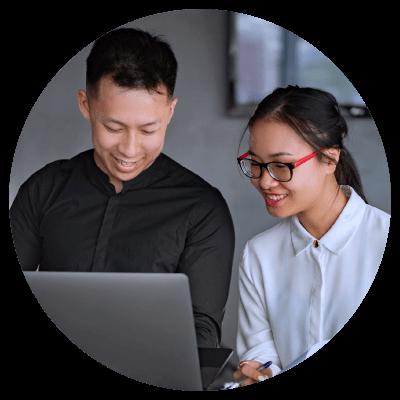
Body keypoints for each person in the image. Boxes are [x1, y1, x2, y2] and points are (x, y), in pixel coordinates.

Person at [10, 28, 235, 349]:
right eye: (113, 127)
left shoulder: (202, 210)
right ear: (86, 105)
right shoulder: (43, 190)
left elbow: (203, 335)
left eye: (148, 130)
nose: (129, 149)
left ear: (169, 112)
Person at [232, 86, 390, 385]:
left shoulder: (380, 240)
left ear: (329, 160)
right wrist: (257, 371)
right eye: (255, 163)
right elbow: (260, 352)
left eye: (281, 165)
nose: (265, 181)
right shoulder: (260, 253)